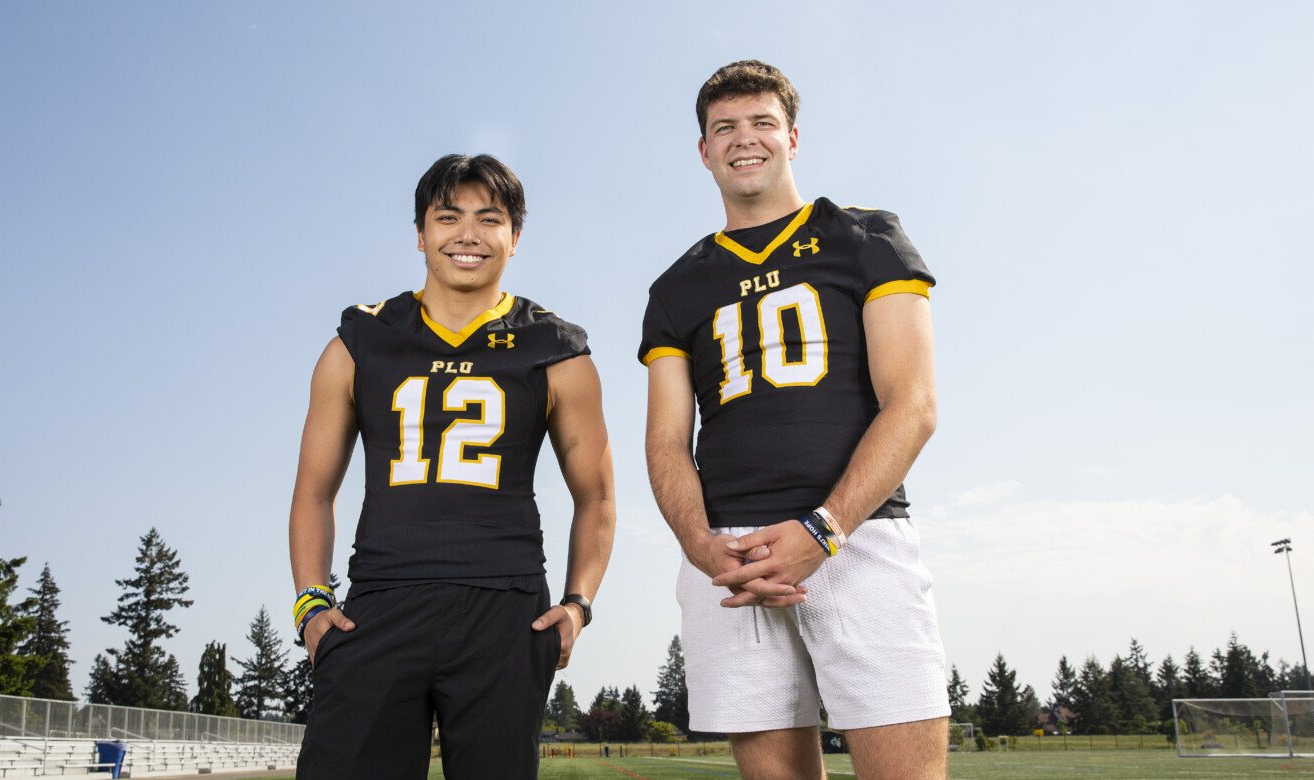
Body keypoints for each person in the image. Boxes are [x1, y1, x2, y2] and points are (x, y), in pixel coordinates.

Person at [640, 61, 949, 780]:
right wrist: (698, 544)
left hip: (857, 536)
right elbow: (664, 442)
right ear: (704, 150)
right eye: (725, 128)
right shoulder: (676, 286)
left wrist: (825, 530)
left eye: (761, 124)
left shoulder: (865, 236)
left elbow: (915, 404)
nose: (744, 140)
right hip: (733, 558)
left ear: (792, 137)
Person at [290, 153, 615, 779]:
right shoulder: (360, 340)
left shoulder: (555, 348)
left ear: (514, 238)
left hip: (505, 610)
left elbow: (596, 497)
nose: (467, 234)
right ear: (420, 234)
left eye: (488, 219)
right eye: (448, 217)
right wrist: (311, 603)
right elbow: (312, 492)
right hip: (378, 606)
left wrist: (578, 604)